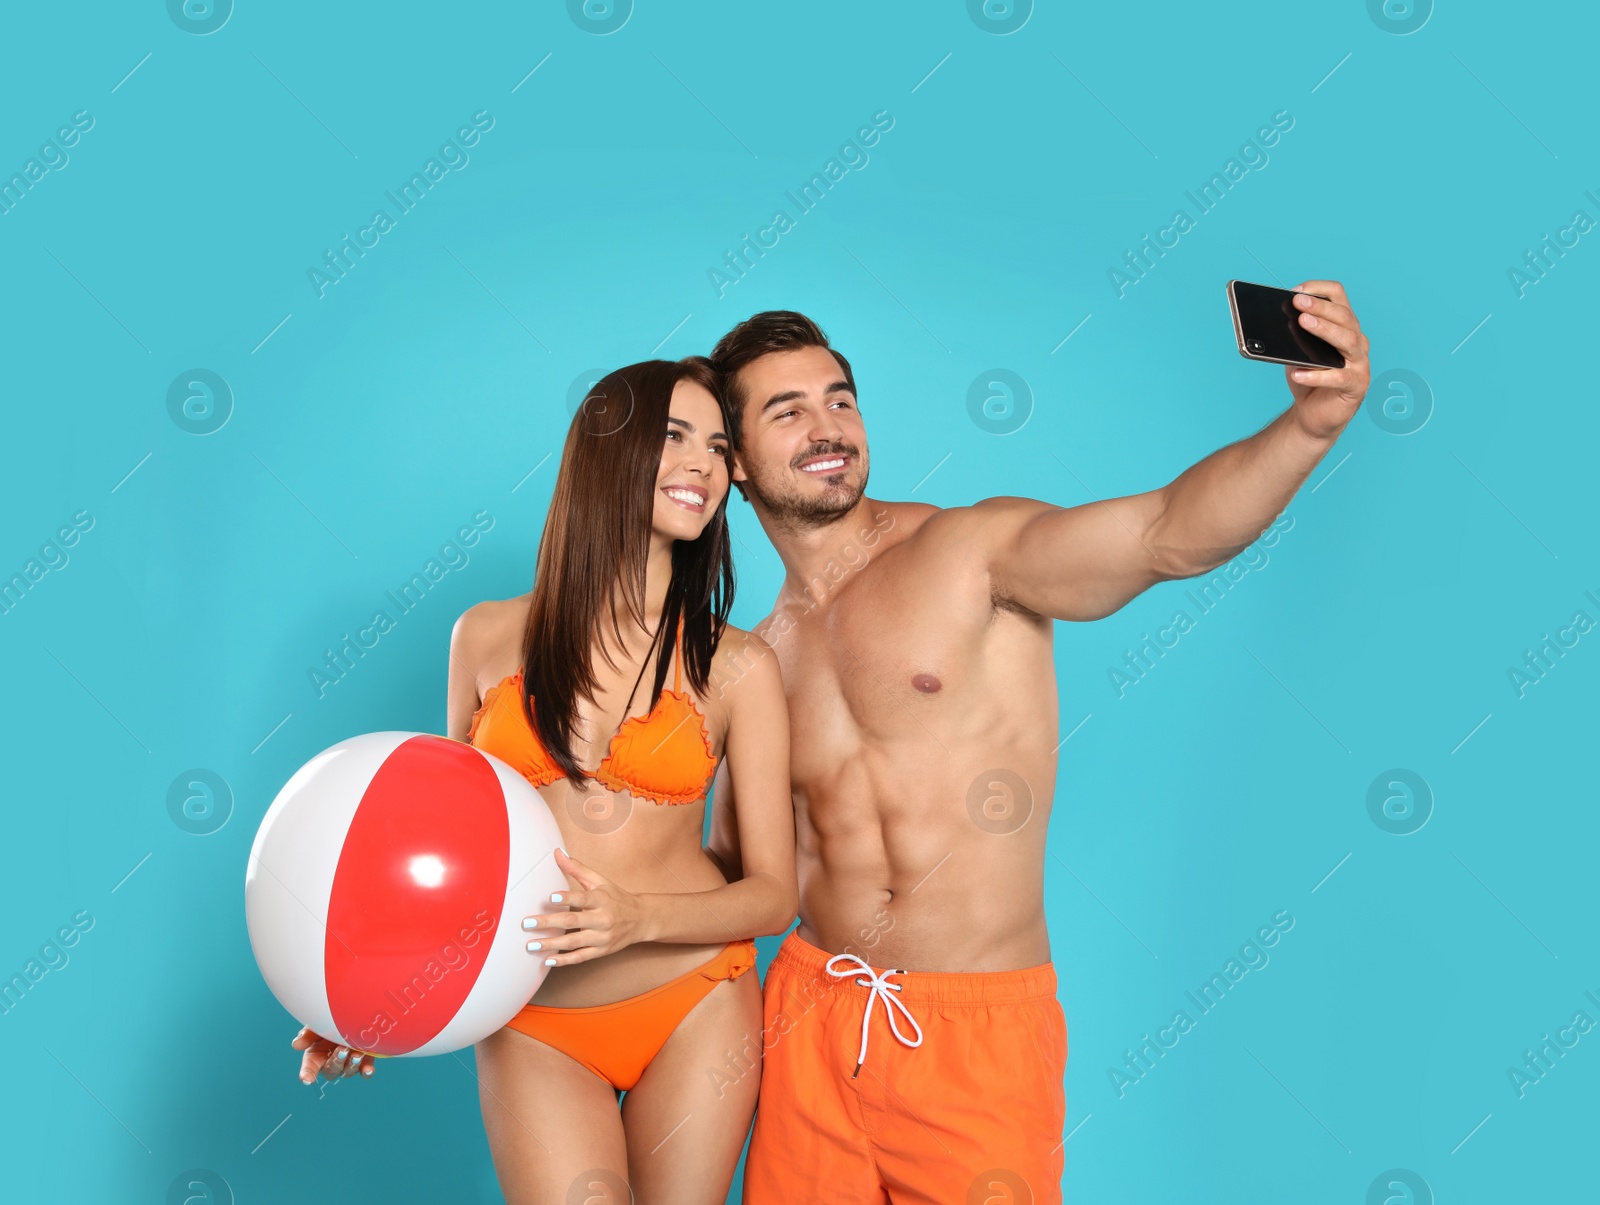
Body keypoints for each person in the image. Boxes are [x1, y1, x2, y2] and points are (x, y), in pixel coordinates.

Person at [706, 291, 1371, 1205]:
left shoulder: (970, 551)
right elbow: (731, 866)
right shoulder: (755, 655)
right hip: (810, 1015)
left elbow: (1165, 533)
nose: (829, 427)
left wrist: (1310, 425)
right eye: (789, 411)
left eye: (841, 398)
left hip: (974, 1030)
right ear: (734, 461)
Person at [292, 356, 798, 1205]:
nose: (703, 465)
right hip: (531, 1018)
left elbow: (774, 894)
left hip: (694, 1001)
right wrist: (364, 1000)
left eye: (717, 446)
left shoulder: (738, 665)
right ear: (607, 448)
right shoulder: (483, 637)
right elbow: (440, 856)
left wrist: (639, 919)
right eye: (673, 436)